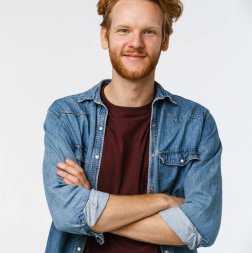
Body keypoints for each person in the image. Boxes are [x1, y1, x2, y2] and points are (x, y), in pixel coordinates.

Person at [42, 0, 222, 252]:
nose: (135, 43)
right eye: (124, 30)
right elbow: (66, 212)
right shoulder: (67, 116)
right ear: (105, 36)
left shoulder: (196, 123)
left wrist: (92, 205)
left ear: (165, 40)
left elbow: (201, 226)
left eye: (148, 31)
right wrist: (161, 201)